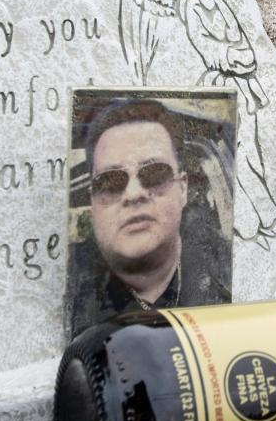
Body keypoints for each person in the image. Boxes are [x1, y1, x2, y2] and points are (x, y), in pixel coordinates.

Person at [82, 99, 231, 318]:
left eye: (154, 173)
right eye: (111, 181)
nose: (134, 194)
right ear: (92, 203)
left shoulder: (228, 273)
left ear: (183, 189)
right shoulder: (72, 296)